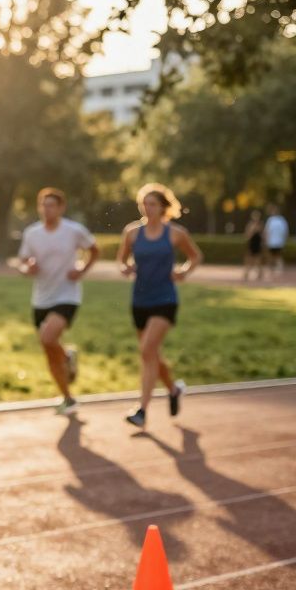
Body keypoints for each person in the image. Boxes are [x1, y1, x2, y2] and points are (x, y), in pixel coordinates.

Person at [117, 183, 202, 428]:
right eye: (144, 203)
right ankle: (173, 389)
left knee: (146, 350)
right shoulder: (132, 233)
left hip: (165, 299)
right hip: (140, 299)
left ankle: (142, 410)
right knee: (151, 353)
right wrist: (126, 268)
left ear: (163, 207)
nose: (148, 208)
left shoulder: (175, 233)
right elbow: (121, 260)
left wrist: (184, 272)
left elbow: (195, 256)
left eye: (153, 203)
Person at [17, 188, 98, 416]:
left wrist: (82, 269)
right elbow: (22, 263)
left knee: (48, 337)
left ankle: (66, 357)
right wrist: (27, 268)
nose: (47, 209)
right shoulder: (32, 233)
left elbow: (94, 249)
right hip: (41, 297)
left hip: (67, 295)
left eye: (52, 205)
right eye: (43, 205)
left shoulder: (73, 230)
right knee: (49, 351)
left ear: (61, 208)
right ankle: (68, 397)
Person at [264, 204, 288, 277]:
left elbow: (285, 232)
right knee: (273, 256)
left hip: (277, 242)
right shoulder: (273, 220)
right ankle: (272, 270)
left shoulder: (278, 220)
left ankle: (277, 269)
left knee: (276, 256)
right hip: (273, 242)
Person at [242, 210, 265, 282]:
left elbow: (263, 235)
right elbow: (247, 235)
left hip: (258, 244)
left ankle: (260, 274)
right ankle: (246, 273)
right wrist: (252, 230)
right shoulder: (250, 225)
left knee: (258, 259)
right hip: (251, 244)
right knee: (249, 259)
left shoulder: (261, 225)